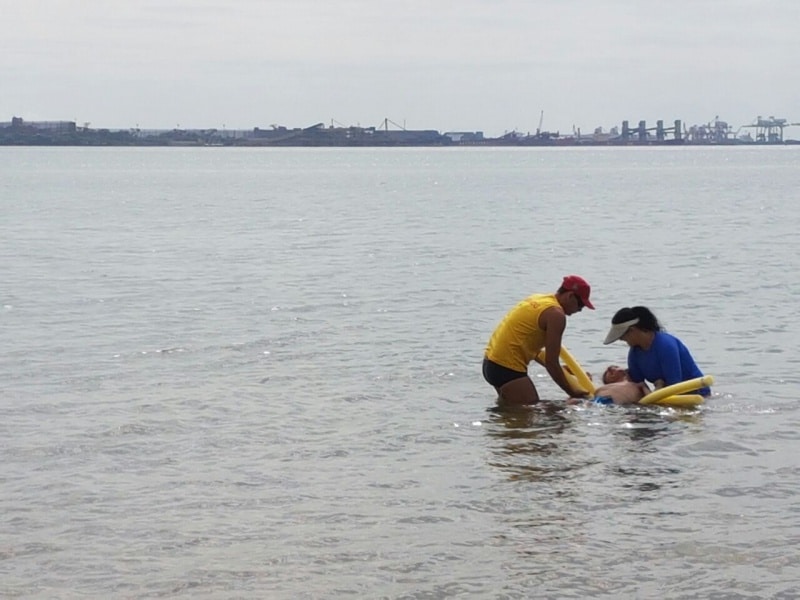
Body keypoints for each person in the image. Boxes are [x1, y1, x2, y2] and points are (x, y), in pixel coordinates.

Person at [483, 275, 594, 407]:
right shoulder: (556, 315)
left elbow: (532, 348)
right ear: (570, 296)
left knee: (512, 413)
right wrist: (573, 392)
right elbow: (552, 363)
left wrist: (563, 371)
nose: (580, 310)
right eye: (580, 304)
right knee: (539, 410)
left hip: (490, 363)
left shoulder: (538, 299)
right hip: (507, 368)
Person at [602, 306, 710, 396]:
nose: (620, 339)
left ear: (632, 331)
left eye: (622, 336)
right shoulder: (634, 353)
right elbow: (637, 384)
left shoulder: (666, 346)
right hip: (664, 392)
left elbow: (674, 386)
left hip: (695, 393)